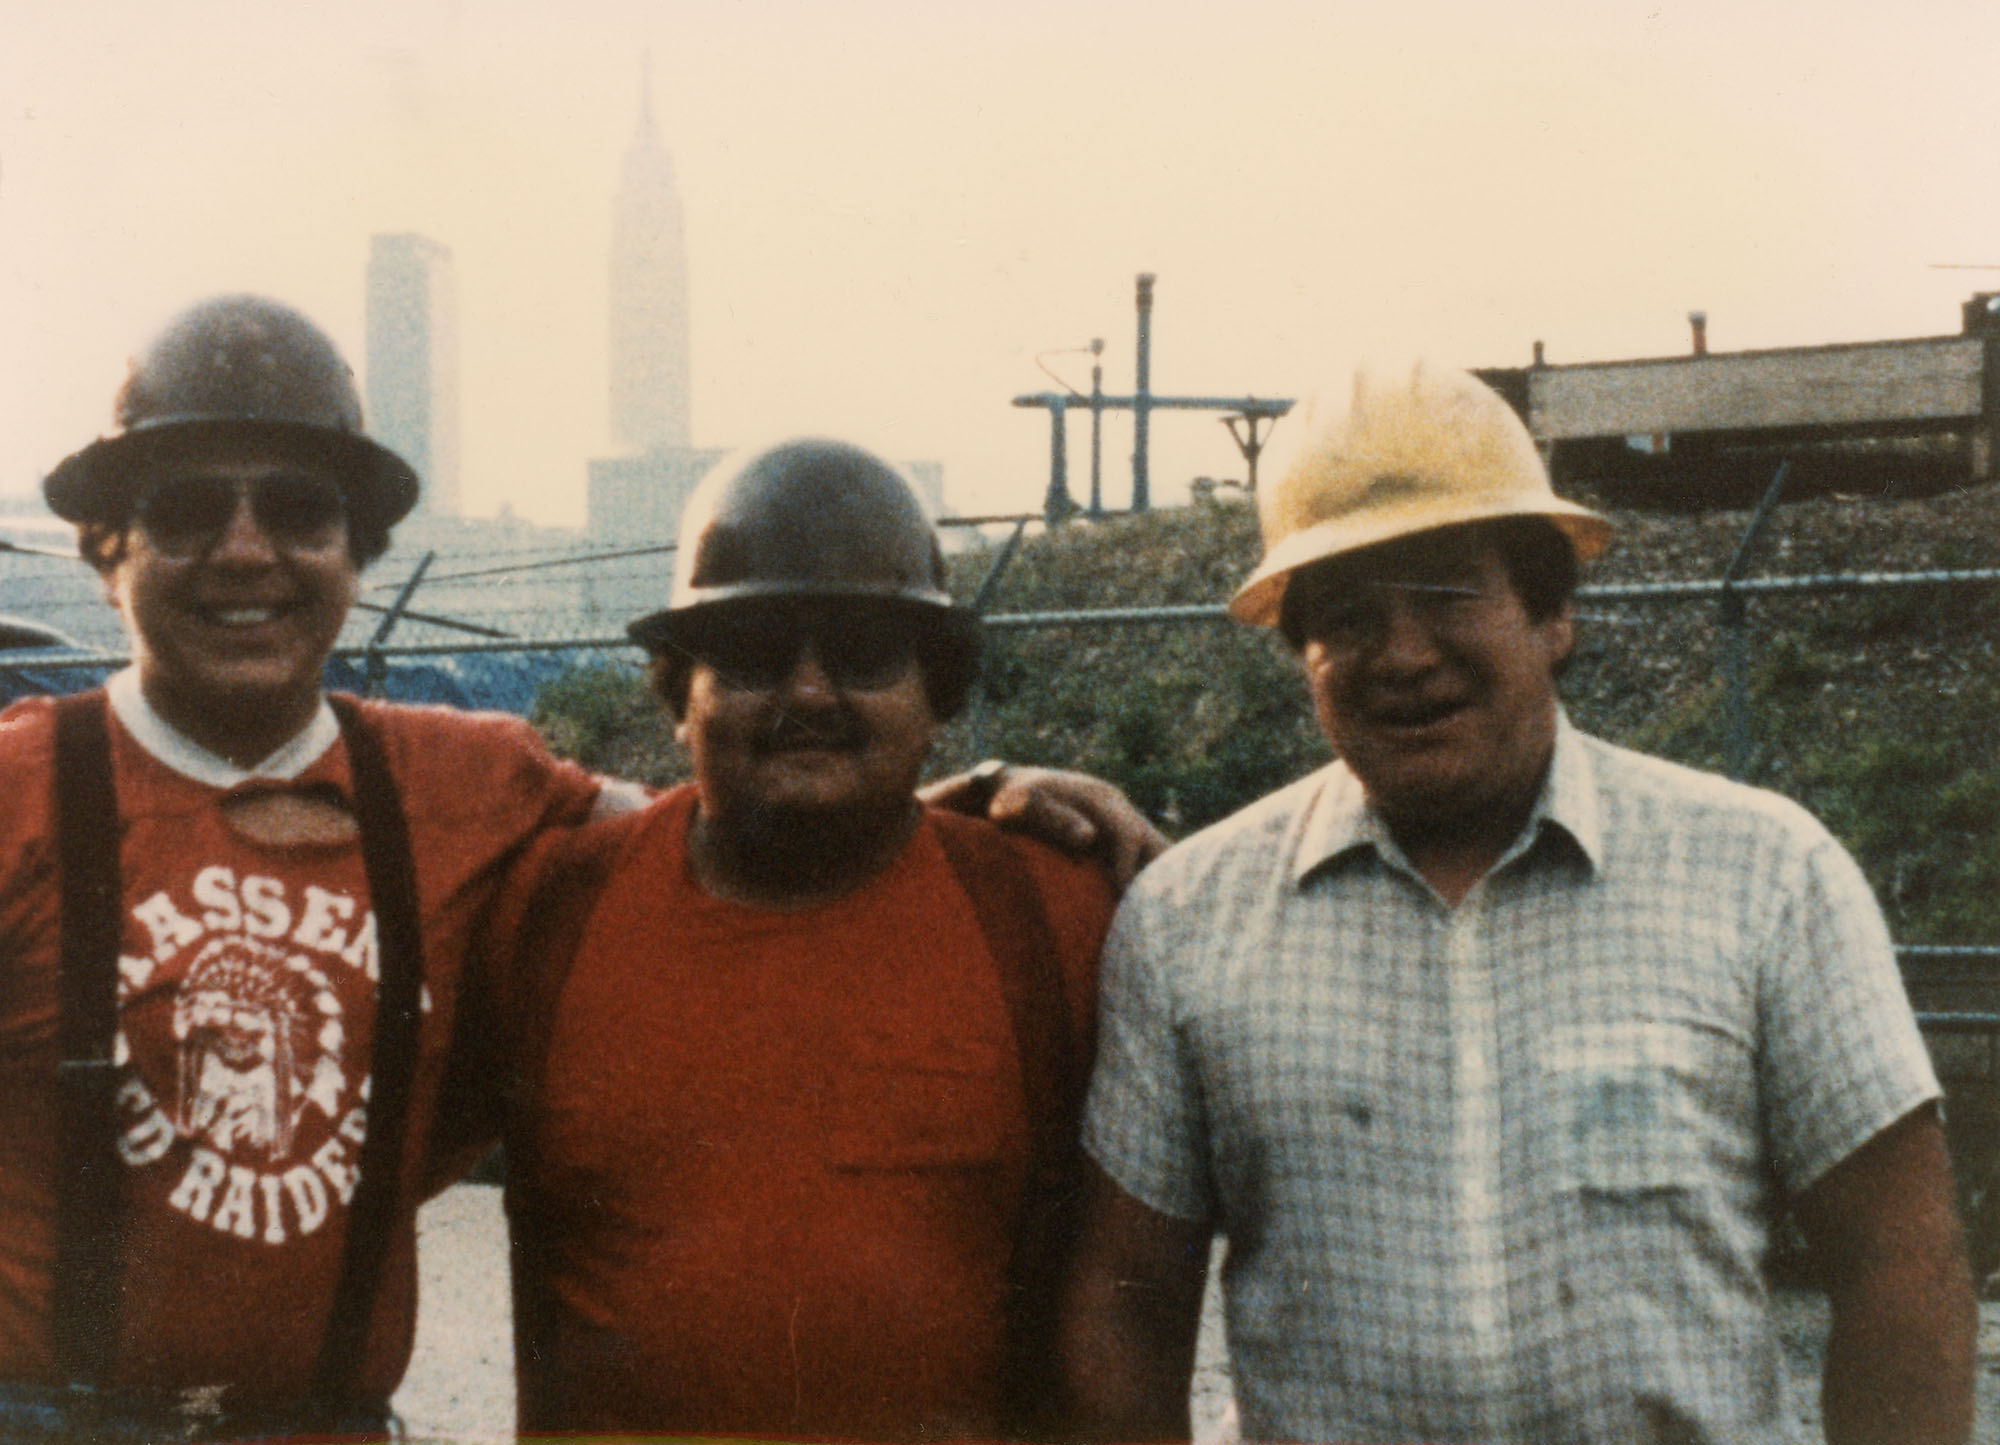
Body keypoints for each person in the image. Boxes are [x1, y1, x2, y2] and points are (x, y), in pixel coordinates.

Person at [0, 296, 1159, 1443]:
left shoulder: (469, 786)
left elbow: (733, 815)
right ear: (108, 549)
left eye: (300, 510)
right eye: (189, 509)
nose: (245, 550)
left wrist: (938, 799)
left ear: (357, 546)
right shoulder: (17, 798)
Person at [1060, 360, 1978, 1444]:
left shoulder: (1763, 875)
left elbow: (1899, 1267)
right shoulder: (1187, 922)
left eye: (1450, 593)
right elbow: (1127, 1304)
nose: (1402, 654)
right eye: (1347, 616)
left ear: (1552, 614)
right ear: (1297, 649)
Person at [494, 439, 1121, 1441]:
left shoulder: (1053, 913)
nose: (810, 692)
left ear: (938, 691)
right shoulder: (547, 913)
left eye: (865, 652)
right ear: (675, 694)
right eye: (751, 652)